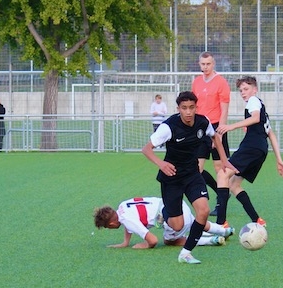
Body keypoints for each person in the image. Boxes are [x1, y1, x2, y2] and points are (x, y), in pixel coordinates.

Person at [141, 91, 233, 264]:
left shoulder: (203, 122)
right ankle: (164, 212)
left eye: (192, 107)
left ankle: (186, 253)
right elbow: (146, 149)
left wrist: (224, 160)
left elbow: (215, 137)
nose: (188, 112)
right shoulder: (168, 127)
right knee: (177, 226)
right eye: (184, 108)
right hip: (172, 177)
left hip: (192, 174)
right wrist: (162, 164)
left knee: (204, 211)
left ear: (196, 107)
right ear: (178, 109)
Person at [213, 75, 283, 228]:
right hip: (261, 150)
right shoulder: (261, 106)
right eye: (241, 90)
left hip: (252, 147)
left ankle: (221, 224)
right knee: (234, 185)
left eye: (246, 89)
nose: (243, 93)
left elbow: (255, 118)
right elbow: (271, 134)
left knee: (222, 174)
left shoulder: (254, 101)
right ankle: (257, 220)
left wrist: (230, 126)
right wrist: (279, 159)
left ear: (255, 90)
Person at [93, 197, 226, 249]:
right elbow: (128, 224)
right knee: (194, 222)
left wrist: (144, 245)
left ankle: (211, 240)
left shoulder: (126, 220)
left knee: (169, 241)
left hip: (172, 218)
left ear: (111, 224)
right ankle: (224, 230)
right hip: (177, 204)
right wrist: (125, 242)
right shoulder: (122, 206)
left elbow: (153, 241)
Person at [190, 52, 232, 193]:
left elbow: (224, 110)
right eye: (203, 64)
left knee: (219, 167)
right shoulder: (196, 82)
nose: (205, 67)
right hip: (200, 128)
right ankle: (213, 192)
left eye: (208, 64)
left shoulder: (221, 82)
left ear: (213, 64)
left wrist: (219, 133)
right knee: (196, 168)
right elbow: (194, 107)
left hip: (215, 127)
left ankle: (221, 200)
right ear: (199, 64)